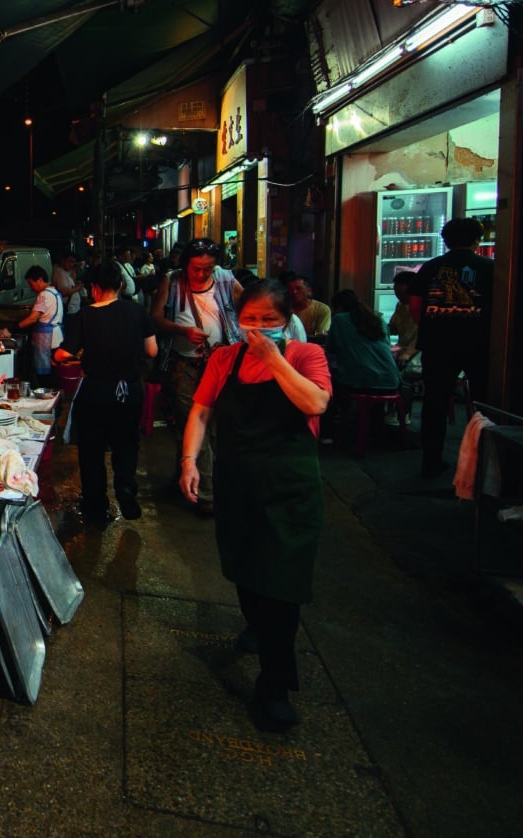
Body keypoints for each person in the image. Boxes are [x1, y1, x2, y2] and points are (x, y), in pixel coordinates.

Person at [178, 279, 331, 731]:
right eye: (251, 320)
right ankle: (256, 624)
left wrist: (276, 360)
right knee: (243, 565)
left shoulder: (307, 356)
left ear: (288, 322)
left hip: (290, 487)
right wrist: (189, 461)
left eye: (271, 321)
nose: (259, 329)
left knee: (283, 582)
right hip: (238, 482)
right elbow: (201, 410)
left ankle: (275, 684)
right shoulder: (225, 359)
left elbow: (316, 402)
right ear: (236, 319)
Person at [53, 261, 157, 526]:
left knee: (92, 450)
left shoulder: (85, 316)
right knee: (126, 443)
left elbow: (65, 353)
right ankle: (125, 487)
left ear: (94, 288)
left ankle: (96, 508)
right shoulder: (137, 311)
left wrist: (59, 356)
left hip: (97, 391)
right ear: (120, 285)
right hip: (130, 391)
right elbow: (152, 351)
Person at [150, 238, 242, 512]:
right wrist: (182, 331)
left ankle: (189, 480)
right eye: (196, 268)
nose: (202, 274)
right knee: (189, 419)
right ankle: (206, 493)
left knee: (209, 427)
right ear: (185, 265)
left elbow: (247, 309)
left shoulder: (226, 280)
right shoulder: (172, 281)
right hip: (183, 364)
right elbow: (155, 317)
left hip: (220, 364)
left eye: (208, 269)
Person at [410, 217, 495, 478]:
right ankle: (483, 463)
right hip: (478, 344)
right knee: (483, 404)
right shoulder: (490, 268)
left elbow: (415, 308)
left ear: (445, 240)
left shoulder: (430, 268)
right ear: (476, 240)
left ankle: (431, 461)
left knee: (434, 403)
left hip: (437, 344)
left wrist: (435, 323)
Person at [324, 289, 399, 393]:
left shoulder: (339, 319)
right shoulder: (379, 320)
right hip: (392, 381)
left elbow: (330, 349)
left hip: (361, 383)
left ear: (339, 307)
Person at [17, 265, 63, 386]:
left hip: (47, 340)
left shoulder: (44, 295)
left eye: (31, 284)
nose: (31, 288)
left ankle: (47, 397)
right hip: (56, 338)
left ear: (40, 280)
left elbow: (32, 318)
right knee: (53, 372)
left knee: (45, 376)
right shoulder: (55, 292)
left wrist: (12, 328)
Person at [387, 271, 419, 370]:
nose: (398, 297)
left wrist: (408, 353)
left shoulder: (422, 307)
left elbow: (424, 337)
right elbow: (393, 328)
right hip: (402, 349)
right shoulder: (401, 305)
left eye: (402, 294)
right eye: (396, 293)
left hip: (415, 354)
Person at [51, 252, 86, 317]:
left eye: (73, 262)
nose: (71, 264)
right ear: (62, 260)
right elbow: (63, 292)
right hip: (69, 310)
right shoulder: (59, 273)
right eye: (70, 261)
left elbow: (72, 280)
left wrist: (75, 269)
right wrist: (78, 287)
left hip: (73, 309)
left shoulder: (65, 271)